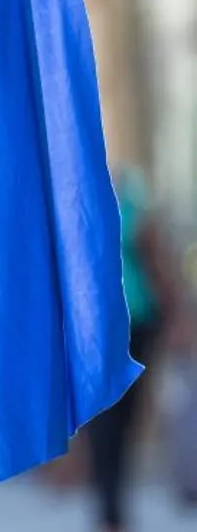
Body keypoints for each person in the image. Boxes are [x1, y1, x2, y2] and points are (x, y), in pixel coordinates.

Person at [87, 165, 187, 532]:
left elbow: (159, 265)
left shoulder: (134, 206)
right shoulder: (81, 203)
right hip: (97, 327)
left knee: (125, 416)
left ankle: (113, 506)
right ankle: (108, 508)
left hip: (138, 323)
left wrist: (176, 318)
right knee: (103, 418)